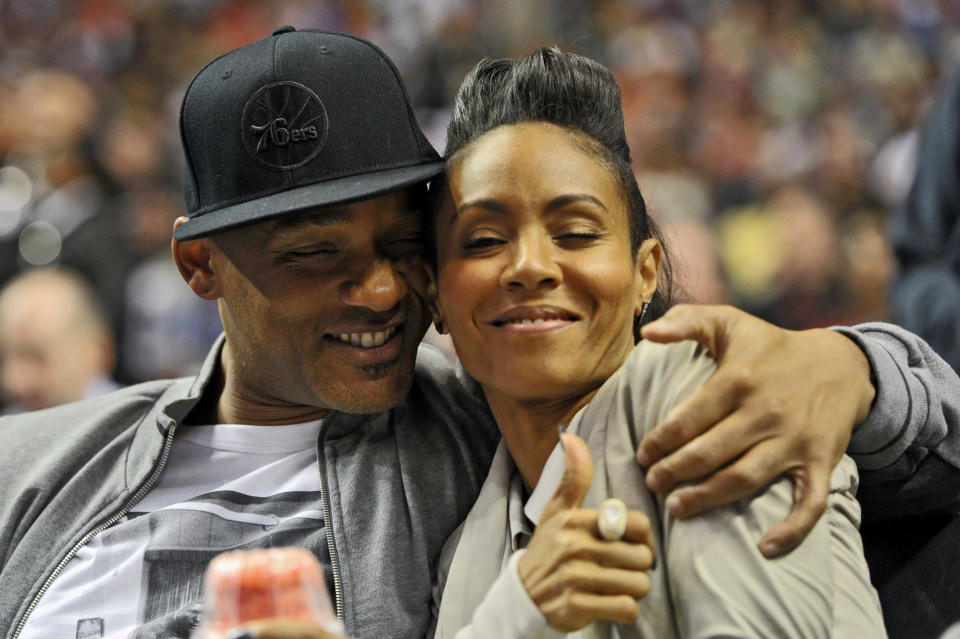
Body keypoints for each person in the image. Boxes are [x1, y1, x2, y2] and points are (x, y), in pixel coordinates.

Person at [0, 27, 956, 639]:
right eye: (313, 255)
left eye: (402, 244)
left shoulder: (487, 421)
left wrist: (856, 363)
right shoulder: (35, 461)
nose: (378, 290)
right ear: (199, 269)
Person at [429, 47, 886, 638]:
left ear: (645, 272)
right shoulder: (464, 554)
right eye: (484, 240)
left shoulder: (704, 403)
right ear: (435, 294)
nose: (530, 266)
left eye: (574, 233)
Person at [0, 267, 119, 413]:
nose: (13, 381)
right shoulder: (8, 427)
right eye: (2, 359)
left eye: (36, 357)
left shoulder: (143, 429)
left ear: (98, 353)